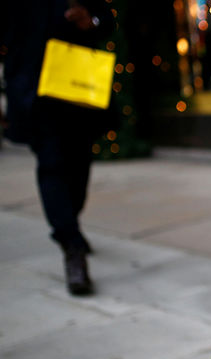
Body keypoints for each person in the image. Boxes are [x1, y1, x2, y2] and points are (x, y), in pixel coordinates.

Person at [1, 0, 115, 295]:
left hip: (77, 90)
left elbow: (107, 21)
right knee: (51, 165)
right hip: (33, 93)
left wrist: (89, 22)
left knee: (79, 168)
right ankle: (72, 247)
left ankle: (69, 225)